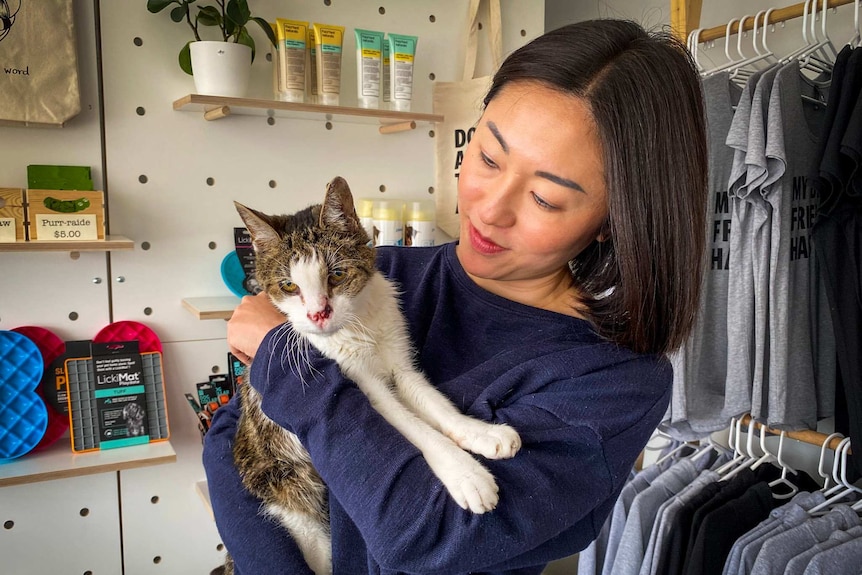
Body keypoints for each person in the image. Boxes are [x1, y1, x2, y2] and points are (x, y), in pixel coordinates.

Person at [202, 18, 708, 575]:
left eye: (544, 197)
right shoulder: (379, 275)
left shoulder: (612, 380)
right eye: (488, 158)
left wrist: (282, 356)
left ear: (615, 221)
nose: (489, 209)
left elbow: (423, 535)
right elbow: (233, 443)